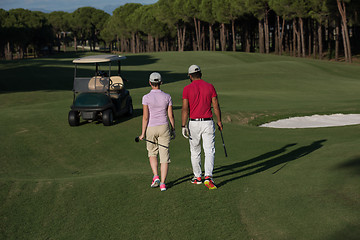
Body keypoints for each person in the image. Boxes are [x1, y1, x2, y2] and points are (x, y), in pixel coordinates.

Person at [181, 65, 223, 190]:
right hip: (208, 122)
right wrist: (219, 121)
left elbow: (185, 109)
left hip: (193, 123)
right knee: (209, 150)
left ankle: (198, 177)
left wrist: (183, 125)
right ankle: (208, 177)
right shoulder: (210, 86)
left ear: (189, 76)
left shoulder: (187, 89)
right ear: (201, 74)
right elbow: (215, 105)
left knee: (195, 151)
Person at [139, 72, 175, 192]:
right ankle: (163, 184)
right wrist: (173, 129)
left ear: (150, 83)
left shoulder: (146, 97)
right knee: (164, 156)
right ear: (160, 82)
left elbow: (145, 117)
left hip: (151, 128)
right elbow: (171, 115)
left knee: (152, 153)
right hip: (164, 127)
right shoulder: (167, 96)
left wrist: (143, 133)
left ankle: (156, 176)